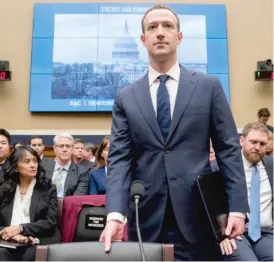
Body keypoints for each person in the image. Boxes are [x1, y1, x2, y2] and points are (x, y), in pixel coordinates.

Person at [100, 4, 248, 261]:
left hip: (198, 218)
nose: (160, 32)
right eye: (152, 27)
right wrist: (115, 214)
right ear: (143, 39)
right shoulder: (126, 96)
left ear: (179, 37)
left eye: (167, 26)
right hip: (145, 219)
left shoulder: (208, 86)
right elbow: (119, 159)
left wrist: (237, 207)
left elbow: (228, 149)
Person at [220, 122, 273, 261]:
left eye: (262, 144)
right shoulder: (223, 167)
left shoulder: (271, 165)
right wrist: (220, 236)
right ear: (241, 141)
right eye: (253, 142)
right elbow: (209, 206)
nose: (257, 147)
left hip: (266, 233)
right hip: (234, 234)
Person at [0, 146, 60, 261]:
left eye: (35, 161)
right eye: (27, 162)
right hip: (9, 239)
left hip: (38, 239)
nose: (33, 165)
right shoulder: (5, 189)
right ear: (16, 167)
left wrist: (21, 228)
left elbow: (50, 222)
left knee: (28, 256)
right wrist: (12, 234)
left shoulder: (47, 188)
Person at [45, 133, 89, 197]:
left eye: (68, 146)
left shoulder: (82, 172)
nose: (65, 149)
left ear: (72, 149)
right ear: (54, 148)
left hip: (68, 206)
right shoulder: (43, 168)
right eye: (61, 146)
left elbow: (77, 199)